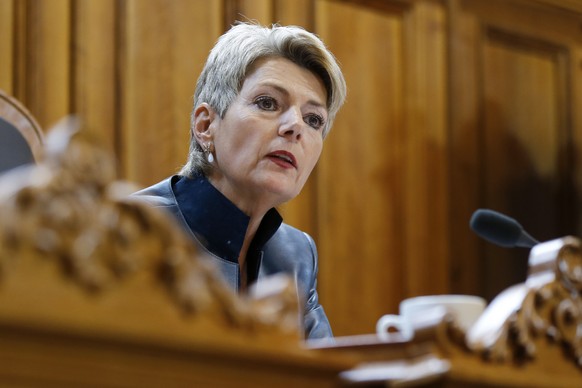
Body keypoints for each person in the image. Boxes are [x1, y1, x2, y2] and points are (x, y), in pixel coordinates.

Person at [132, 22, 346, 340]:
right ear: (206, 126)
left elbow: (323, 369)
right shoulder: (131, 227)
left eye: (313, 119)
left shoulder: (297, 253)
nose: (295, 127)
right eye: (268, 103)